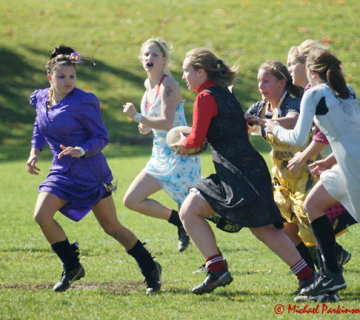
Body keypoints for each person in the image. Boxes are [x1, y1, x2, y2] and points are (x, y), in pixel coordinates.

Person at [171, 48, 315, 295]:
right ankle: (217, 269)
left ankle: (308, 277)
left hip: (240, 172)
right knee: (191, 209)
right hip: (240, 169)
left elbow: (195, 140)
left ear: (201, 71)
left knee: (264, 229)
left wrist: (179, 144)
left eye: (187, 70)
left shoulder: (205, 97)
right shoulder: (222, 94)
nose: (184, 76)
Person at [265, 47, 360, 297]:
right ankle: (331, 276)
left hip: (357, 169)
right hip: (354, 162)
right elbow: (348, 135)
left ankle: (331, 276)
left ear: (311, 70)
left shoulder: (314, 93)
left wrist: (273, 127)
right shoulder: (347, 91)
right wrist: (328, 162)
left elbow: (296, 138)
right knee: (312, 205)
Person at [27, 45, 161, 294]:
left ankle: (150, 268)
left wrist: (82, 149)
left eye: (72, 76)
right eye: (61, 77)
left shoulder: (84, 101)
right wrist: (35, 151)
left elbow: (101, 137)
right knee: (41, 216)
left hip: (90, 172)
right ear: (50, 78)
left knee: (112, 228)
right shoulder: (40, 97)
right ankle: (72, 266)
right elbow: (39, 123)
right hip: (61, 171)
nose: (68, 81)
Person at [244, 61, 351, 286]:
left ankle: (330, 272)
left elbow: (292, 121)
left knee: (310, 222)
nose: (261, 86)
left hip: (306, 170)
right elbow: (243, 123)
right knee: (284, 227)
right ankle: (312, 277)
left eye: (266, 81)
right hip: (282, 177)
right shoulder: (260, 107)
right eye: (259, 81)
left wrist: (266, 122)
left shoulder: (292, 102)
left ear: (282, 82)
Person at [122, 38, 201, 252]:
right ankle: (177, 222)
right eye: (147, 54)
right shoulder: (148, 86)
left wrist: (138, 117)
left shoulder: (169, 85)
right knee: (131, 200)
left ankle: (213, 263)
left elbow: (167, 122)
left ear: (164, 60)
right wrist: (145, 126)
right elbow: (155, 122)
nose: (150, 58)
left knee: (191, 212)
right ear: (141, 59)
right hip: (159, 155)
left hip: (180, 153)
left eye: (155, 55)